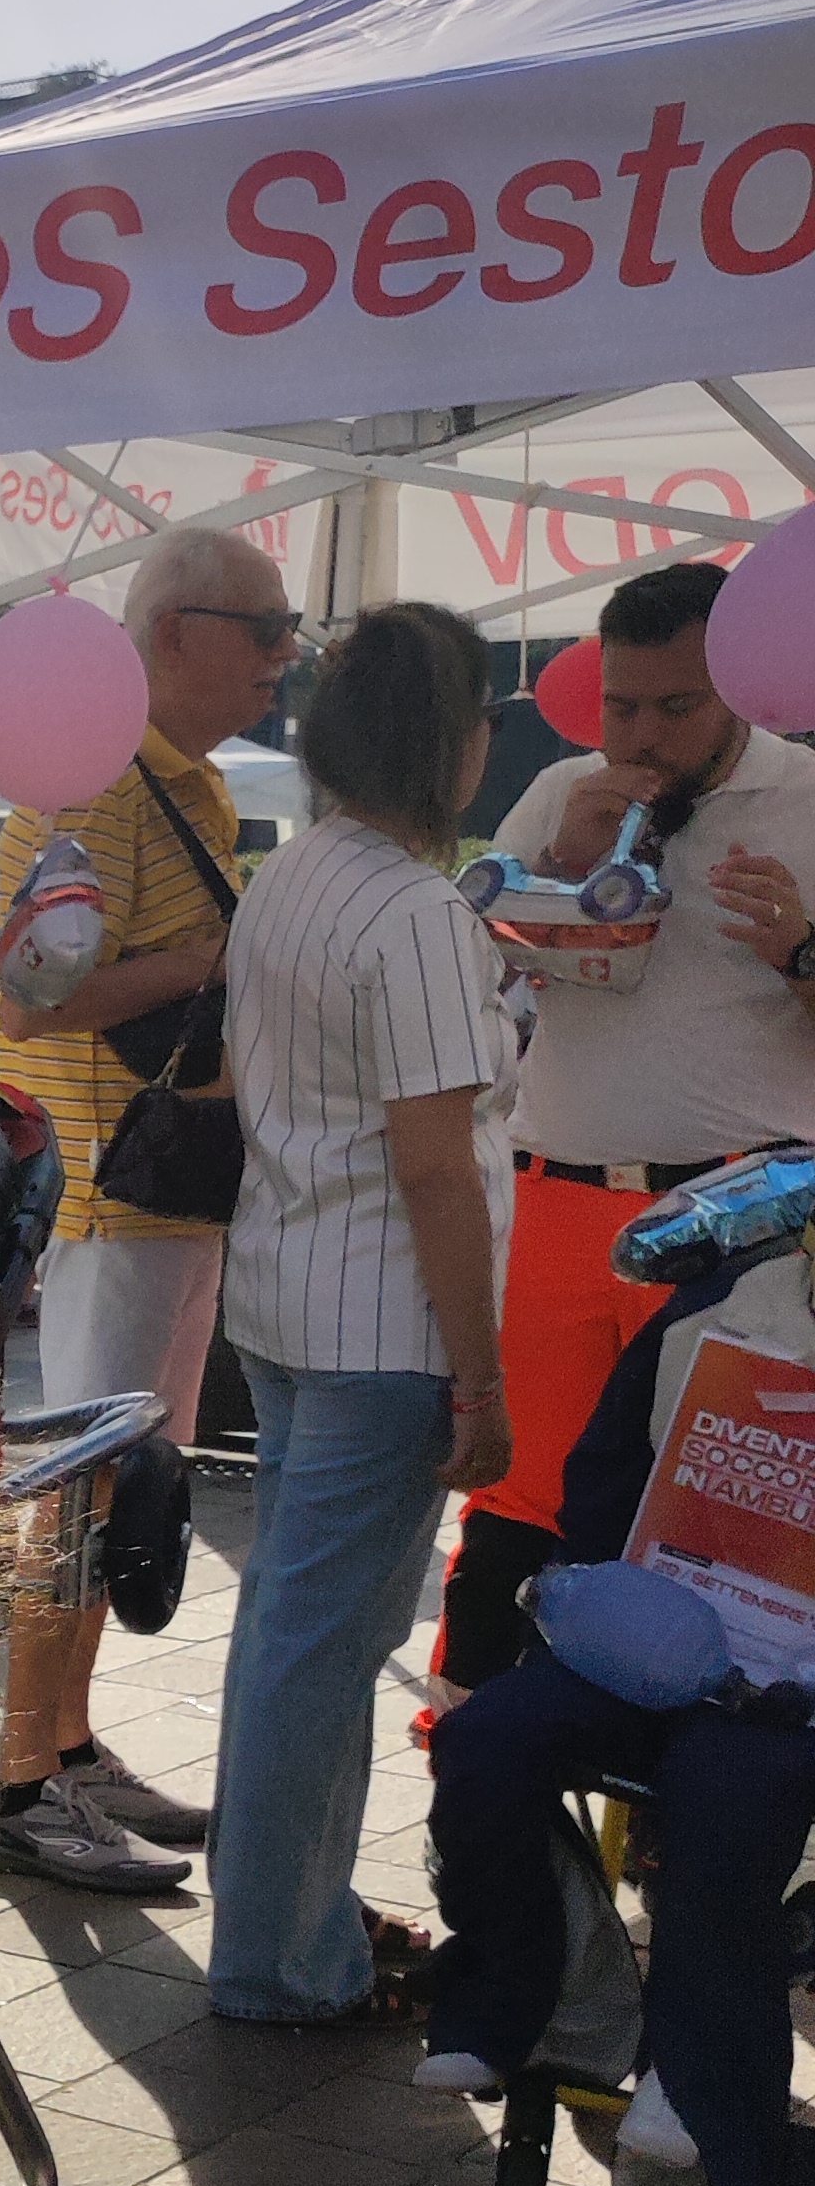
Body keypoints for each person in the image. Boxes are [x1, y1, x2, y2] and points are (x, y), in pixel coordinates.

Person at [0, 523, 293, 1895]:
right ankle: (18, 1777)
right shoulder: (95, 789)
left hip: (167, 1187)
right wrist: (222, 951)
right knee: (80, 1489)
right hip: (107, 1189)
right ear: (174, 634)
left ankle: (70, 1741)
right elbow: (27, 995)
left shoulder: (194, 788)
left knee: (130, 1483)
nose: (287, 658)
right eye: (266, 630)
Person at [209, 604, 517, 2029]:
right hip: (383, 1322)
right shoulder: (419, 913)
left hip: (284, 1293)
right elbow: (434, 1169)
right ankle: (279, 1960)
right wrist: (483, 1379)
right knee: (314, 1653)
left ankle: (293, 1928)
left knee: (289, 1633)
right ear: (454, 748)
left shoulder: (294, 876)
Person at [432, 560, 815, 1690]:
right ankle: (479, 1768)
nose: (640, 733)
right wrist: (551, 873)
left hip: (736, 1221)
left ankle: (681, 1793)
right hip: (553, 1193)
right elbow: (468, 973)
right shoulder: (562, 793)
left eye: (674, 705)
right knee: (517, 1500)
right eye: (621, 704)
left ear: (741, 688)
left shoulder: (806, 804)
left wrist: (799, 948)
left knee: (703, 1513)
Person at [418, 1200, 815, 2186]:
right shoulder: (725, 1302)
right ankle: (528, 1992)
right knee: (484, 1741)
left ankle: (698, 2077)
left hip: (794, 1687)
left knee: (730, 1790)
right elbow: (605, 1483)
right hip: (662, 1628)